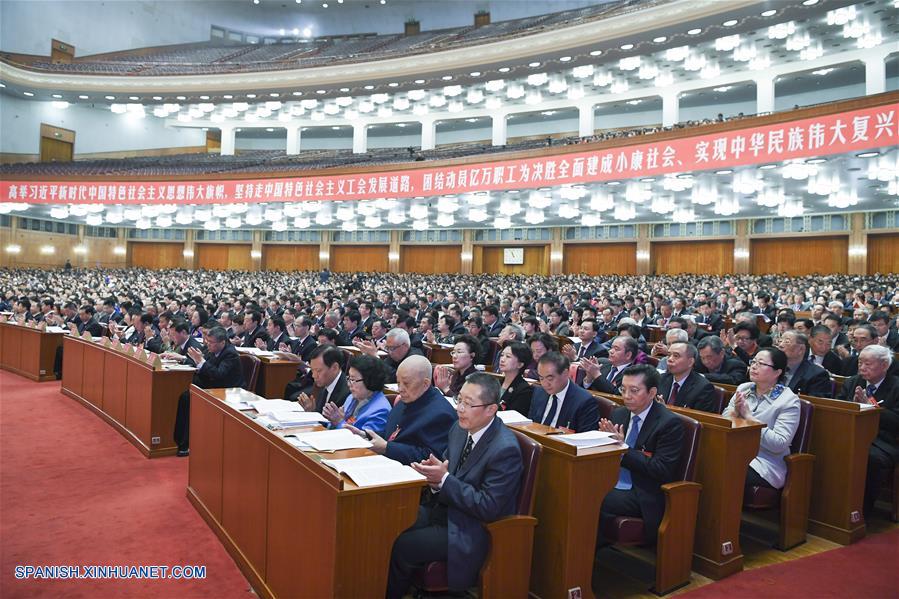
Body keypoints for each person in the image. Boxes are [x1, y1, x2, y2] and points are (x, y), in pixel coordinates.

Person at [386, 373, 523, 598]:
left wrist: (444, 480)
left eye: (468, 404)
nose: (459, 408)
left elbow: (488, 506)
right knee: (391, 521)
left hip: (471, 527)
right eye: (459, 400)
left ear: (491, 409)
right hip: (444, 509)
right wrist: (433, 476)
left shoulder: (505, 449)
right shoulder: (459, 429)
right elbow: (447, 470)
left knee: (403, 545)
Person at [598, 364, 685, 545]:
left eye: (634, 390)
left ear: (652, 393)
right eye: (623, 389)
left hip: (642, 491)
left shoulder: (669, 423)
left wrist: (623, 449)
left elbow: (662, 470)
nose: (626, 396)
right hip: (611, 479)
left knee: (588, 498)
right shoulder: (619, 414)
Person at [347, 355, 457, 465]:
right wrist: (367, 436)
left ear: (425, 384)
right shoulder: (406, 400)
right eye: (398, 382)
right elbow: (391, 433)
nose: (400, 389)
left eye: (406, 383)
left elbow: (431, 457)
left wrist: (387, 448)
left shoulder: (441, 414)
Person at [723, 348, 800, 491]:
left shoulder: (788, 401)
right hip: (736, 451)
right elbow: (725, 420)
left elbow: (779, 443)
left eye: (761, 363)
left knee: (725, 469)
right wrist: (735, 411)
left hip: (765, 463)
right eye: (753, 362)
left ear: (777, 372)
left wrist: (749, 418)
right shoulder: (744, 388)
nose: (754, 366)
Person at [837, 345, 899, 516]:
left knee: (867, 457)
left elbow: (896, 421)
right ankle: (834, 504)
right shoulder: (852, 382)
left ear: (884, 365)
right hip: (850, 434)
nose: (862, 368)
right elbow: (837, 407)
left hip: (882, 441)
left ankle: (861, 510)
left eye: (868, 364)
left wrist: (871, 406)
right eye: (860, 363)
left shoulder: (896, 386)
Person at [173, 326, 245, 456]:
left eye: (211, 342)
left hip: (227, 391)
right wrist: (194, 360)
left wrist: (201, 361)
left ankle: (186, 444)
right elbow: (205, 365)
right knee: (185, 396)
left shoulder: (230, 354)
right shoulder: (212, 349)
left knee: (189, 398)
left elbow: (219, 374)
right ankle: (180, 441)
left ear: (222, 342)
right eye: (207, 341)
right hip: (212, 386)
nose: (208, 344)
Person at [528, 351, 598, 432]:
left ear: (566, 373)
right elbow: (531, 425)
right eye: (541, 378)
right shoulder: (539, 392)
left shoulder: (584, 401)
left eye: (550, 378)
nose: (544, 384)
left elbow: (585, 439)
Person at [322, 354, 391, 433]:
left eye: (353, 380)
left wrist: (339, 422)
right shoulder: (352, 397)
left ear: (370, 380)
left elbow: (364, 441)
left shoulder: (380, 411)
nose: (349, 384)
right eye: (349, 379)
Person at [658, 342, 719, 413]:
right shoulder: (660, 379)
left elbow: (700, 421)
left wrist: (665, 411)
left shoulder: (703, 388)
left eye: (676, 356)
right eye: (669, 355)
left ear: (690, 362)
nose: (670, 359)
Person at [289, 345, 350, 411]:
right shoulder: (323, 383)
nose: (314, 376)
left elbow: (330, 420)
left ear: (334, 368)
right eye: (312, 370)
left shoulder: (346, 394)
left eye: (318, 371)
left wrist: (311, 413)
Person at [777, 330, 833, 398]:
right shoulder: (772, 366)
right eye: (780, 341)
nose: (780, 345)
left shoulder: (817, 375)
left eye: (787, 342)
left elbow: (814, 404)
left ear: (801, 349)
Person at [358, 328, 423, 383]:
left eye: (392, 348)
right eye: (387, 348)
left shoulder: (415, 358)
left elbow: (397, 378)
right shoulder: (393, 353)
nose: (389, 351)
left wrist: (376, 357)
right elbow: (383, 372)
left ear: (405, 345)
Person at [496, 341, 534, 415]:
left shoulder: (524, 389)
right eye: (502, 355)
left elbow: (513, 417)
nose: (502, 359)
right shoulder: (496, 383)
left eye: (508, 356)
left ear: (520, 364)